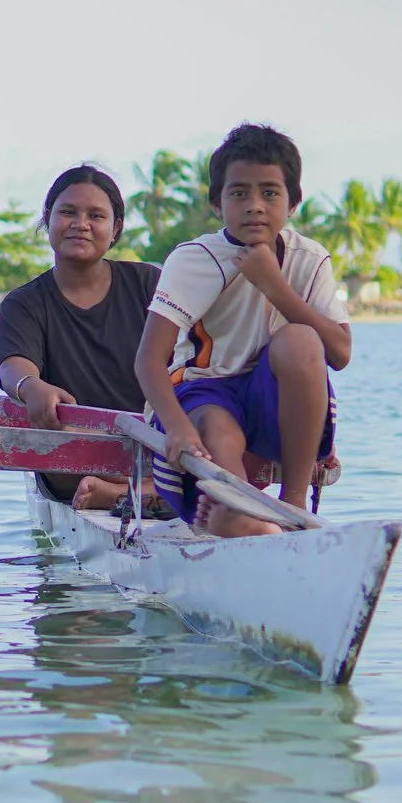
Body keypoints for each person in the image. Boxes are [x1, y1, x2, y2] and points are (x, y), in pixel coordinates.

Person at [133, 123, 351, 537]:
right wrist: (177, 427)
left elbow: (339, 353)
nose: (255, 205)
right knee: (218, 428)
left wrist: (274, 285)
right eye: (239, 193)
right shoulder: (195, 258)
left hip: (269, 396)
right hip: (204, 390)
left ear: (293, 203)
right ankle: (235, 510)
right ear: (218, 204)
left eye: (270, 192)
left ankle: (293, 506)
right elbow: (148, 359)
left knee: (302, 339)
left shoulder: (309, 258)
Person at [0, 165, 162, 513]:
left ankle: (124, 491)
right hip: (78, 449)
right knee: (60, 437)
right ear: (48, 218)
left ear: (115, 228)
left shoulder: (149, 283)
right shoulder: (24, 302)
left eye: (96, 215)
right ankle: (148, 492)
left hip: (154, 442)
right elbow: (13, 366)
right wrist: (31, 386)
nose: (80, 224)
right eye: (68, 212)